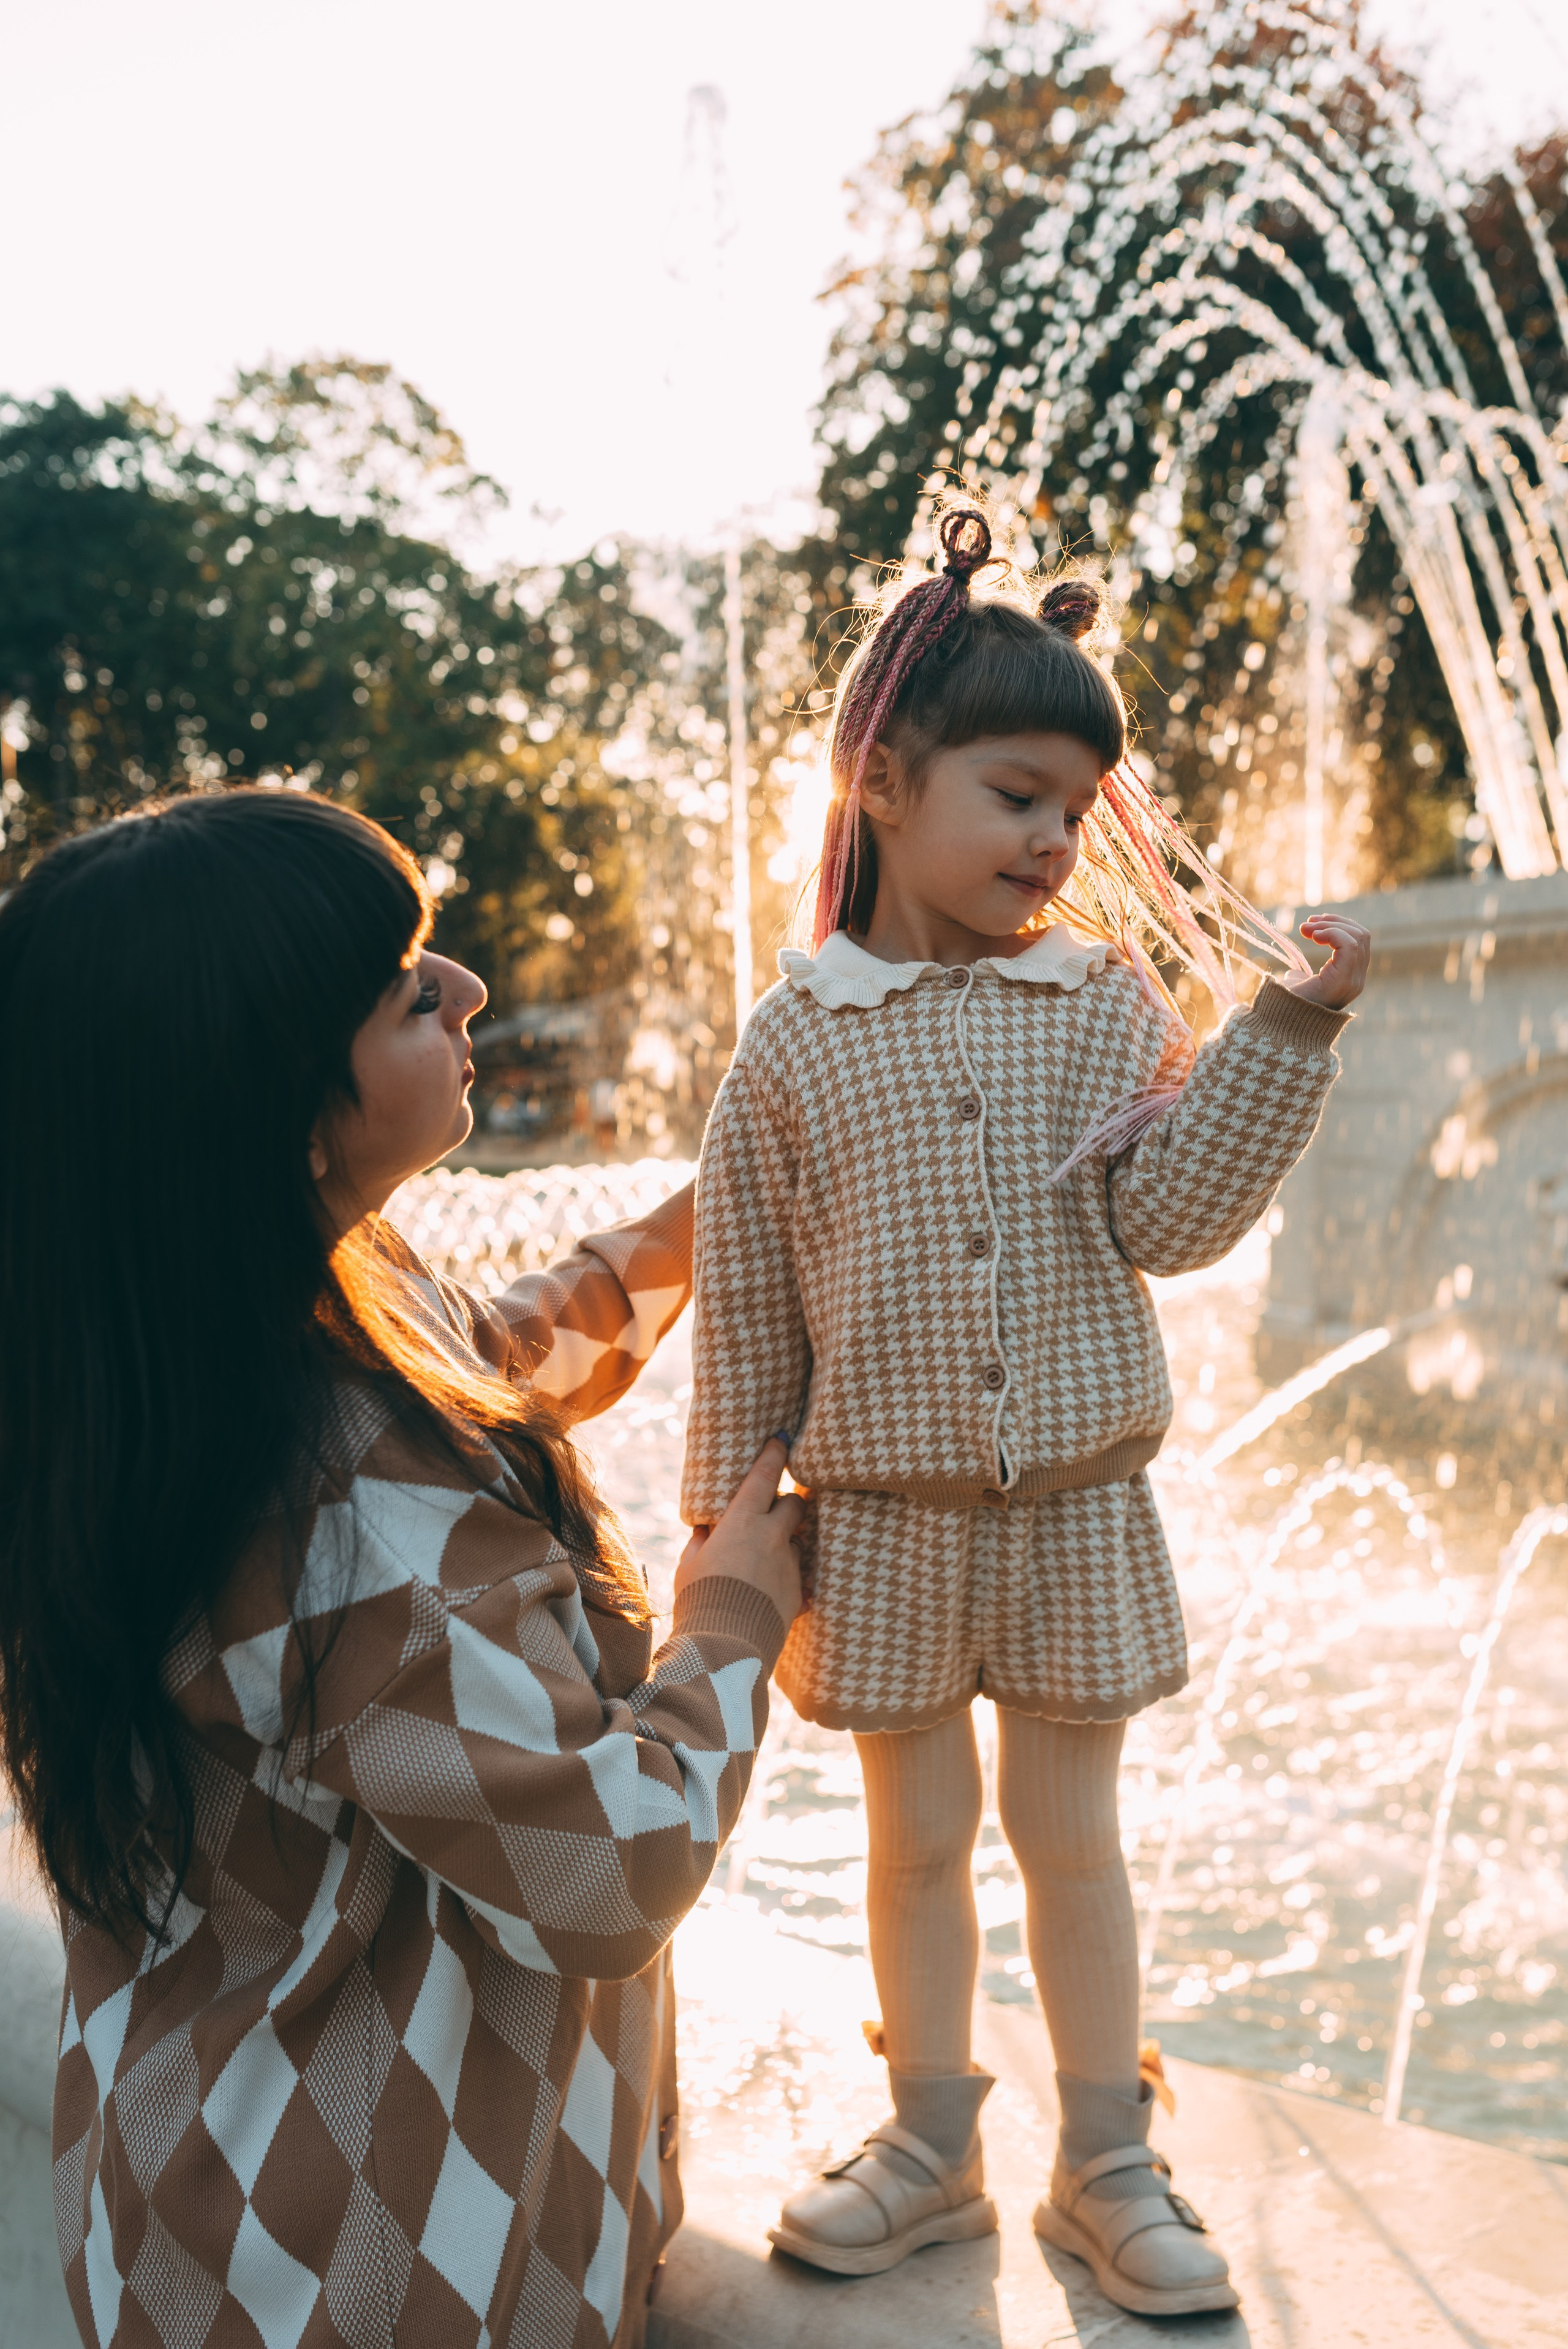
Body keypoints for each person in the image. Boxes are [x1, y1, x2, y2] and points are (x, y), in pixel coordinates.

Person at [0, 789, 802, 2349]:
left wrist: (708, 1221)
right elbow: (610, 1867)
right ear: (276, 1106)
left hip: (209, 2203)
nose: (465, 994)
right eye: (405, 987)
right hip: (379, 2271)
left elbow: (500, 1351)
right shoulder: (342, 1511)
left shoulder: (182, 1371)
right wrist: (733, 1617)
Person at [680, 505, 1370, 2318]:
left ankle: (1104, 2155)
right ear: (884, 779)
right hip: (888, 1517)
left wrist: (1280, 1041)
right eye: (1017, 795)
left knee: (1076, 1840)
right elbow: (747, 1303)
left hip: (1075, 1505)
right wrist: (723, 1537)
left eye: (1079, 806)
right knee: (911, 1842)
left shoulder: (1104, 1003)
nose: (1058, 840)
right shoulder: (795, 1036)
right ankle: (929, 2137)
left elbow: (1169, 1220)